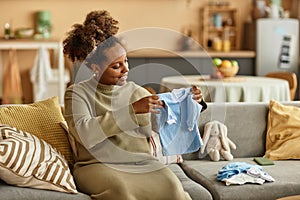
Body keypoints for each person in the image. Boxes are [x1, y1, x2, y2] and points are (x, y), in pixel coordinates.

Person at [63, 10, 206, 200]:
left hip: (142, 163)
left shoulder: (136, 92)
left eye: (126, 61)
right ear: (96, 68)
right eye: (116, 66)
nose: (126, 69)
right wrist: (132, 111)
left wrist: (191, 103)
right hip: (96, 166)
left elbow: (161, 126)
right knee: (122, 193)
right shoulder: (77, 93)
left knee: (174, 189)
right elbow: (85, 133)